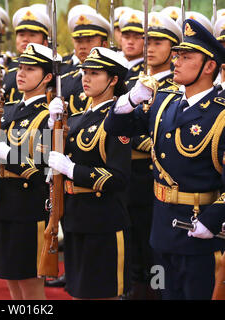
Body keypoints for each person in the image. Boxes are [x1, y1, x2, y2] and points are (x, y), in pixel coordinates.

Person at [104, 19, 225, 300]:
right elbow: (116, 128)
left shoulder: (220, 114)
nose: (177, 63)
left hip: (199, 231)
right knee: (163, 293)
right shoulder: (164, 101)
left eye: (186, 57)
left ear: (209, 66)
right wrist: (130, 100)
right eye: (177, 56)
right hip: (161, 227)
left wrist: (212, 220)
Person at [47, 47, 132, 300]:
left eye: (95, 73)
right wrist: (52, 129)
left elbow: (118, 176)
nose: (86, 78)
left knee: (100, 294)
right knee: (78, 292)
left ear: (113, 80)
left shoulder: (117, 118)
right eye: (85, 72)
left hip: (102, 220)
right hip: (75, 216)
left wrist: (73, 170)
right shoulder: (78, 117)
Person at [0, 43, 59, 300]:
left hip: (28, 206)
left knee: (30, 284)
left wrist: (7, 155)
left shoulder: (49, 114)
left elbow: (41, 168)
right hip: (2, 201)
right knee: (11, 281)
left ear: (48, 77)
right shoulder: (10, 109)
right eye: (20, 68)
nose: (21, 74)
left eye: (30, 69)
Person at [126, 12, 182, 300]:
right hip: (129, 179)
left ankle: (154, 295)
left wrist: (140, 139)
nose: (149, 47)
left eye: (158, 42)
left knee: (156, 253)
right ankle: (137, 293)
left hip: (158, 179)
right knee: (134, 245)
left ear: (174, 50)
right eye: (148, 41)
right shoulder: (132, 80)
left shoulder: (177, 87)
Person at [2, 5, 49, 103]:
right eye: (21, 35)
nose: (25, 39)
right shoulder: (7, 67)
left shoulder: (52, 70)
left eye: (32, 35)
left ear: (45, 42)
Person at [119, 9, 145, 89]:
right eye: (126, 37)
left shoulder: (146, 70)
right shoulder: (113, 64)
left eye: (137, 38)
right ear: (121, 39)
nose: (130, 42)